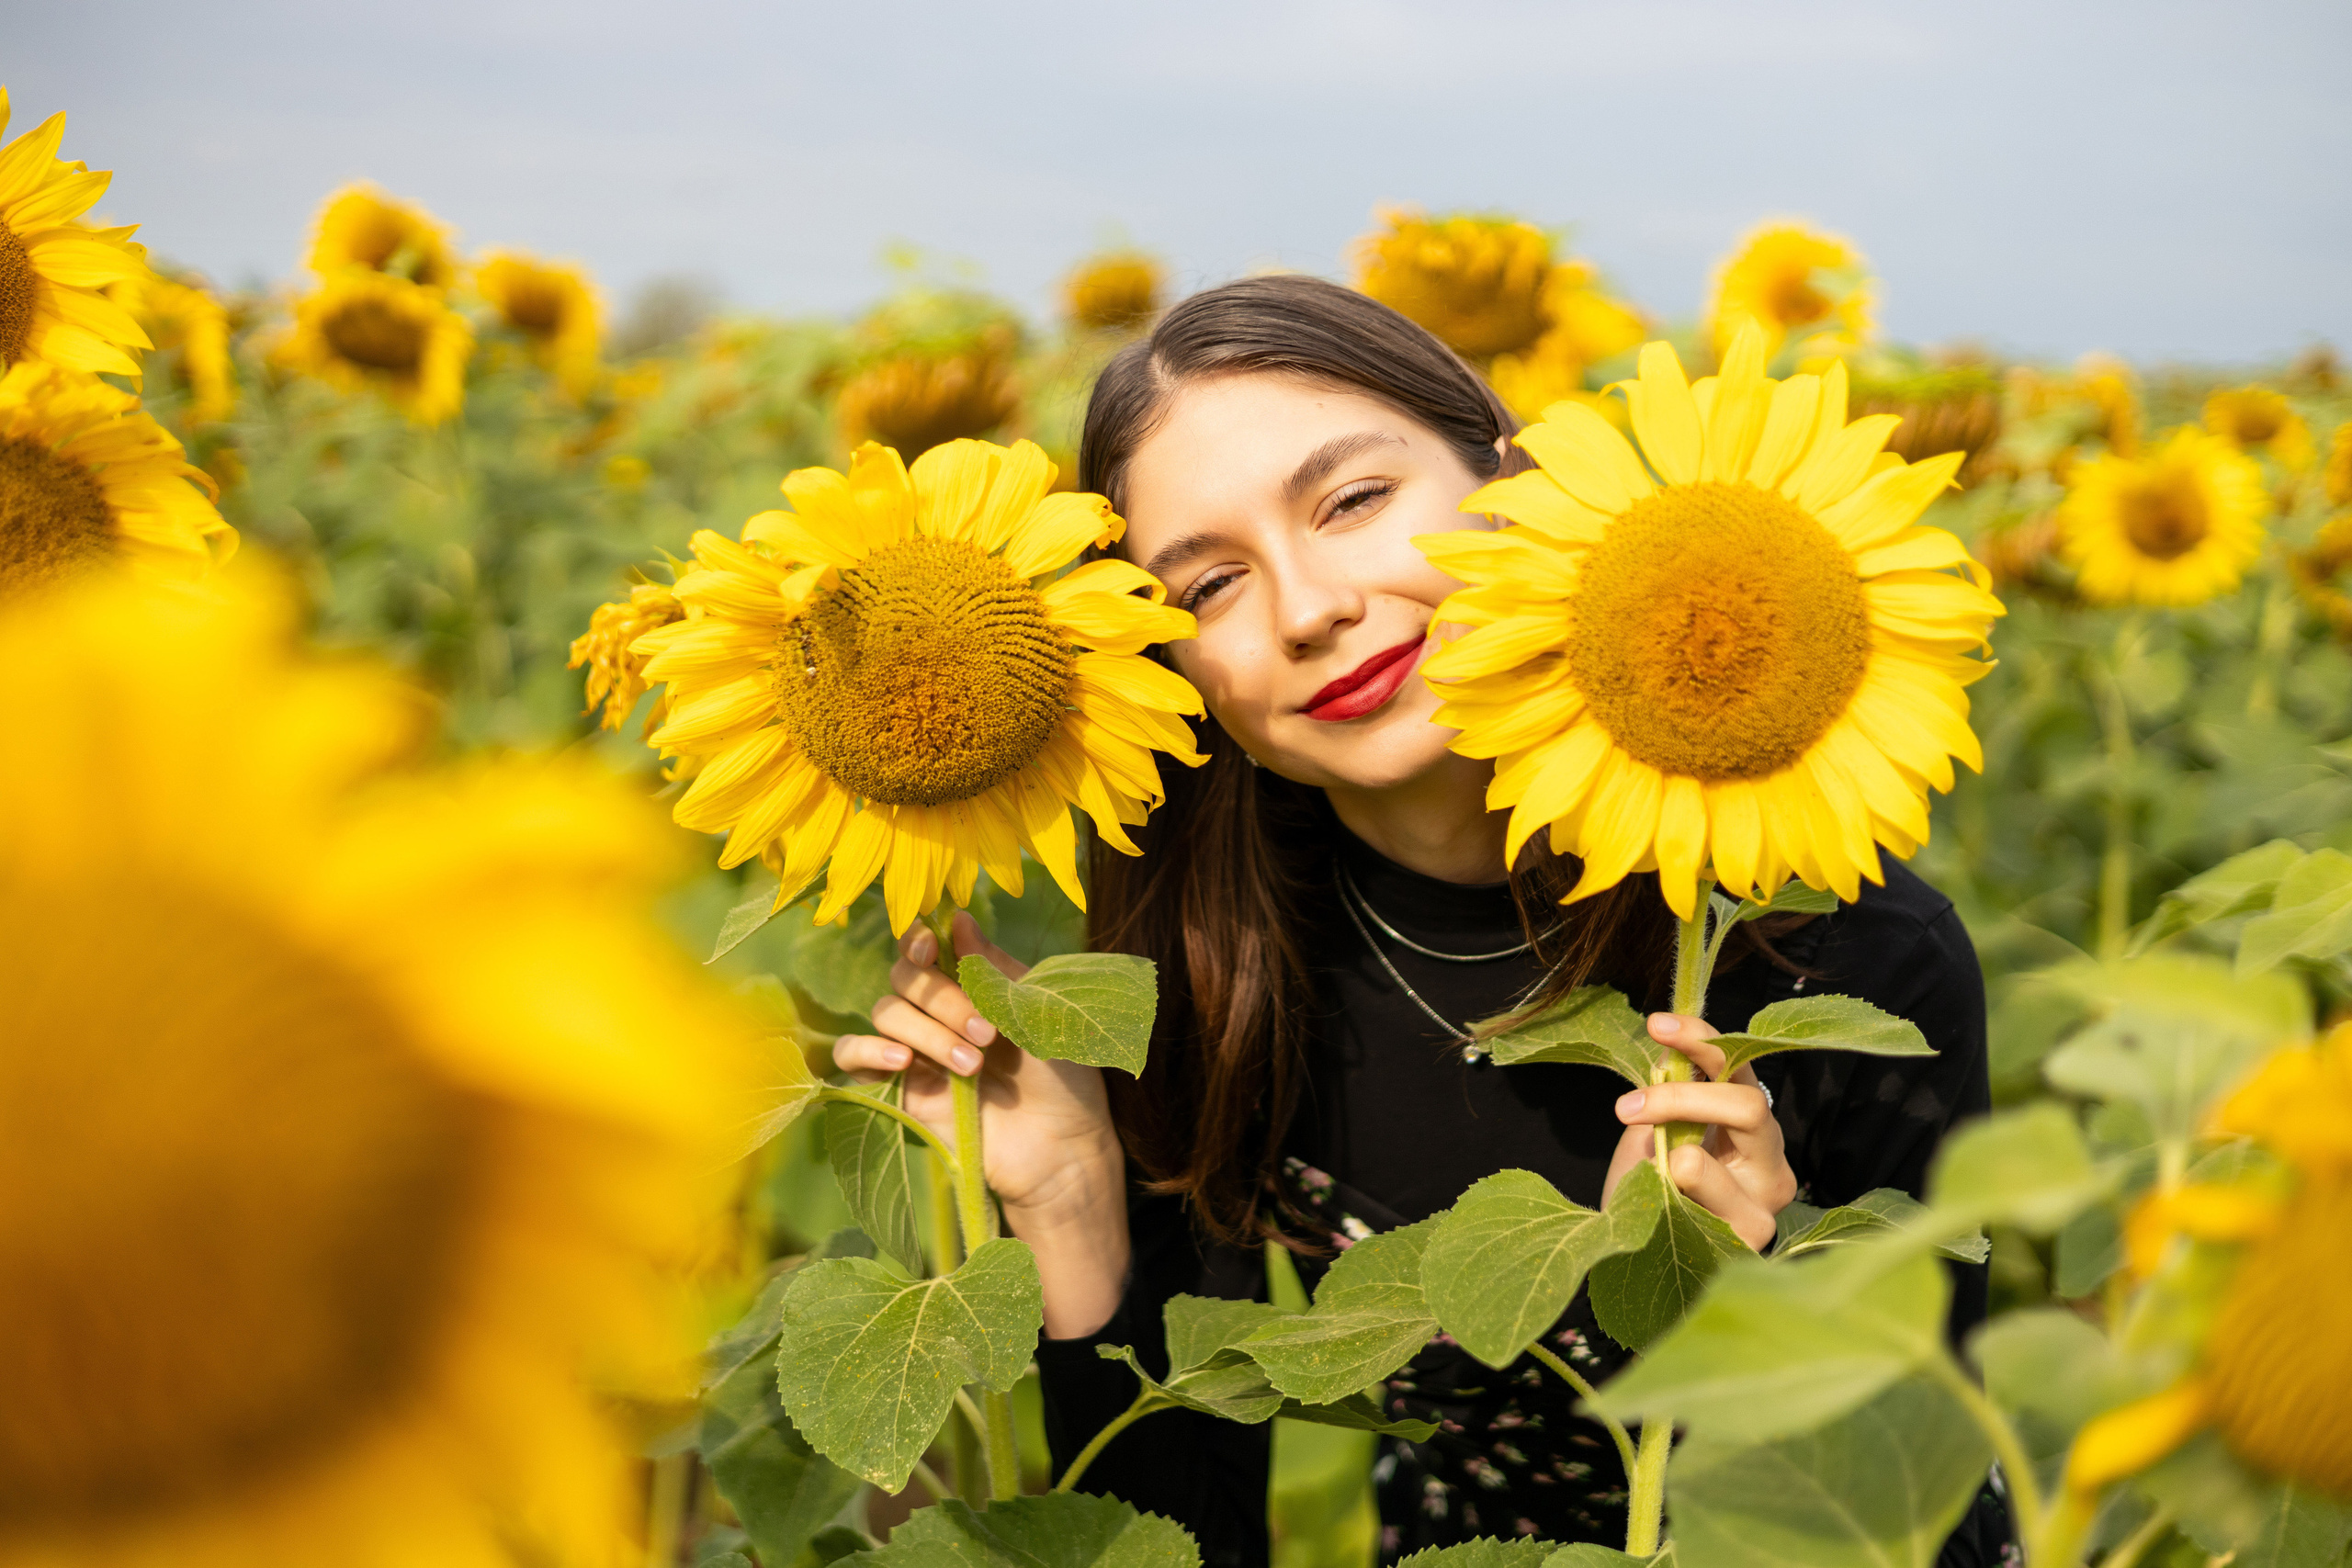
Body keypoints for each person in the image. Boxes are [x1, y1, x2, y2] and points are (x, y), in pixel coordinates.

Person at [829, 276, 2008, 1565]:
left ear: (1510, 480)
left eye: (1352, 502)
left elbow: (1921, 1507)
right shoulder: (1209, 986)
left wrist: (1743, 1298)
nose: (1307, 608)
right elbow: (1180, 1540)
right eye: (1211, 584)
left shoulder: (1838, 951)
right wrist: (1070, 1198)